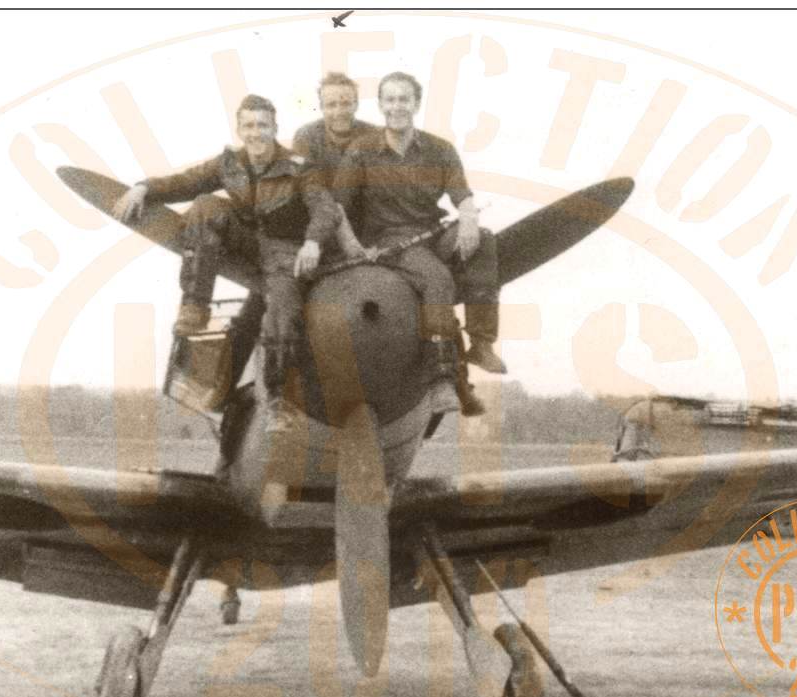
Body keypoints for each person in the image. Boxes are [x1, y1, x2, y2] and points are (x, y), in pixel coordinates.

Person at [113, 94, 338, 434]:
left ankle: (277, 399)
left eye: (263, 125)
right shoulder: (229, 163)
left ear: (275, 128)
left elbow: (323, 208)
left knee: (282, 311)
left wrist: (313, 241)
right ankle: (194, 307)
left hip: (284, 252)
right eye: (248, 125)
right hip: (246, 241)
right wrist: (144, 188)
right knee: (205, 205)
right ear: (239, 129)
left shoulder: (300, 166)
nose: (256, 133)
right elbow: (185, 183)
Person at [333, 72, 505, 414]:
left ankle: (482, 343)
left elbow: (462, 196)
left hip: (433, 232)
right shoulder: (361, 151)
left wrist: (468, 219)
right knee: (437, 279)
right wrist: (353, 246)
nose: (397, 107)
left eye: (404, 99)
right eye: (391, 100)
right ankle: (441, 380)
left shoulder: (439, 149)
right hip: (390, 240)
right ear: (381, 105)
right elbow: (337, 206)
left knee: (483, 239)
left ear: (416, 103)